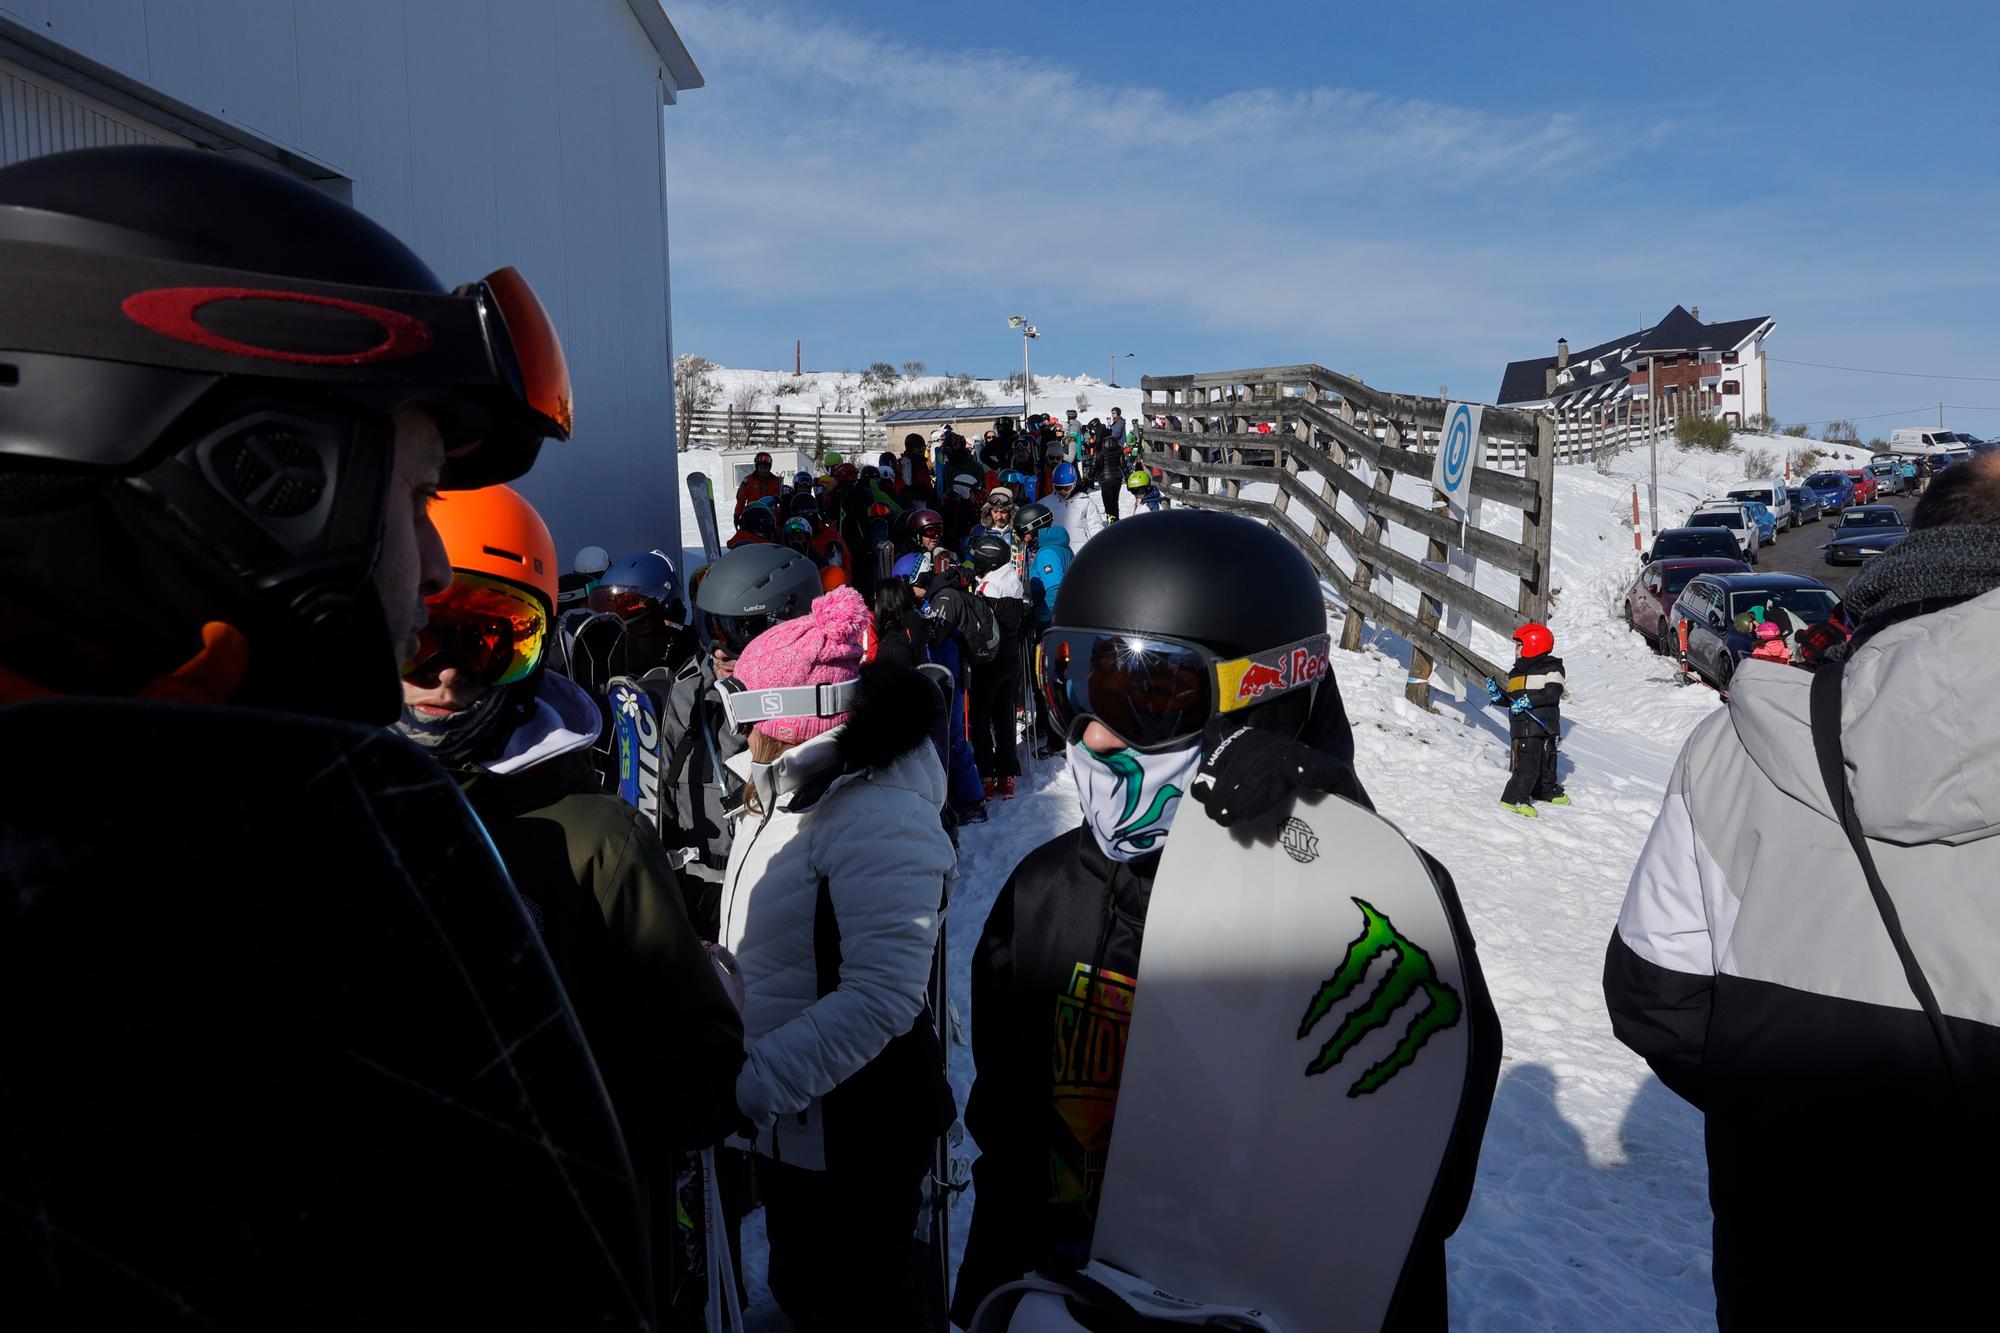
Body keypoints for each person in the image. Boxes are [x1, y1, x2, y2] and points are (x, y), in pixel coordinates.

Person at [0, 145, 656, 1326]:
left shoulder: (128, 837)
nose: (441, 563)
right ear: (264, 486)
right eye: (411, 497)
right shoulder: (278, 881)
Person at [952, 510, 1498, 1328]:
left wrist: (1332, 856)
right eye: (1068, 679)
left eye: (1145, 690)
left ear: (1265, 698)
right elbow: (1009, 1135)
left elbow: (1427, 1177)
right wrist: (993, 1298)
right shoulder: (1040, 893)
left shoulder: (1380, 914)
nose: (1092, 734)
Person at [1603, 450, 2000, 1331]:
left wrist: (1786, 1113)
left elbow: (1650, 998)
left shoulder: (1735, 747)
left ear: (1918, 549)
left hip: (1789, 1258)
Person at [398, 486, 746, 1315]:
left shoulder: (599, 837)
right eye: (422, 637)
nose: (446, 673)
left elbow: (704, 1059)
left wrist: (563, 1130)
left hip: (569, 1252)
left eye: (489, 642)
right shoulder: (352, 811)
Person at [717, 588, 958, 1332]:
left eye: (748, 708)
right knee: (804, 1283)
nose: (740, 726)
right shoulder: (791, 789)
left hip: (858, 1128)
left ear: (789, 716)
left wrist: (754, 1082)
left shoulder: (874, 811)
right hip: (801, 1118)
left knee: (861, 1297)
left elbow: (884, 996)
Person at [658, 544, 823, 941]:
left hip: (783, 907)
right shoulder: (690, 697)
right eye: (709, 628)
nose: (717, 650)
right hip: (701, 895)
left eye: (737, 633)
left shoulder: (824, 711)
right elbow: (659, 792)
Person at [966, 533, 1030, 798]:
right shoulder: (1013, 579)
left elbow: (980, 625)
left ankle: (987, 774)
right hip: (1011, 659)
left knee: (981, 719)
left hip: (989, 662)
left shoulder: (989, 587)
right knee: (1004, 717)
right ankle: (1007, 775)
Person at [1485, 623, 1567, 817]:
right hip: (1525, 727)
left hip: (1546, 725)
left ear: (1534, 644)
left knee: (1548, 761)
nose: (1516, 649)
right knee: (1528, 764)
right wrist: (1498, 696)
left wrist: (1528, 700)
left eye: (1519, 644)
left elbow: (1552, 693)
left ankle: (1545, 791)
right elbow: (1513, 700)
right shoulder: (1516, 673)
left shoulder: (1552, 668)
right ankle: (1514, 799)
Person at [1041, 463, 1106, 548]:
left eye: (1067, 488)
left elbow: (1095, 526)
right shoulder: (1045, 504)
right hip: (1056, 553)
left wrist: (1099, 543)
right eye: (1058, 488)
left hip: (1081, 552)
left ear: (1074, 484)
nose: (1062, 492)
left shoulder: (1085, 501)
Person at [735, 451, 782, 522]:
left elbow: (782, 499)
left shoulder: (776, 481)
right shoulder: (748, 481)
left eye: (766, 468)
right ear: (757, 467)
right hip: (753, 516)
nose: (763, 471)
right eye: (761, 468)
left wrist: (779, 499)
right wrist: (737, 516)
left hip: (771, 517)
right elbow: (741, 500)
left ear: (769, 468)